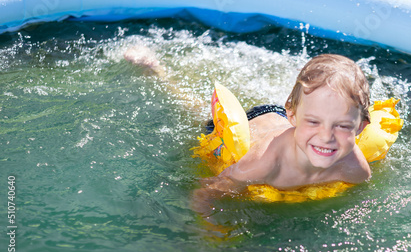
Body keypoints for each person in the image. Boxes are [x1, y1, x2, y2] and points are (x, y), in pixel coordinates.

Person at [124, 47, 371, 220]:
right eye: (315, 122)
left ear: (360, 127)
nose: (326, 136)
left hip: (282, 118)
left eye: (342, 125)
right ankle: (157, 72)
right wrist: (212, 233)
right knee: (192, 109)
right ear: (293, 117)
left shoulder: (354, 167)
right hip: (256, 124)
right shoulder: (265, 162)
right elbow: (205, 193)